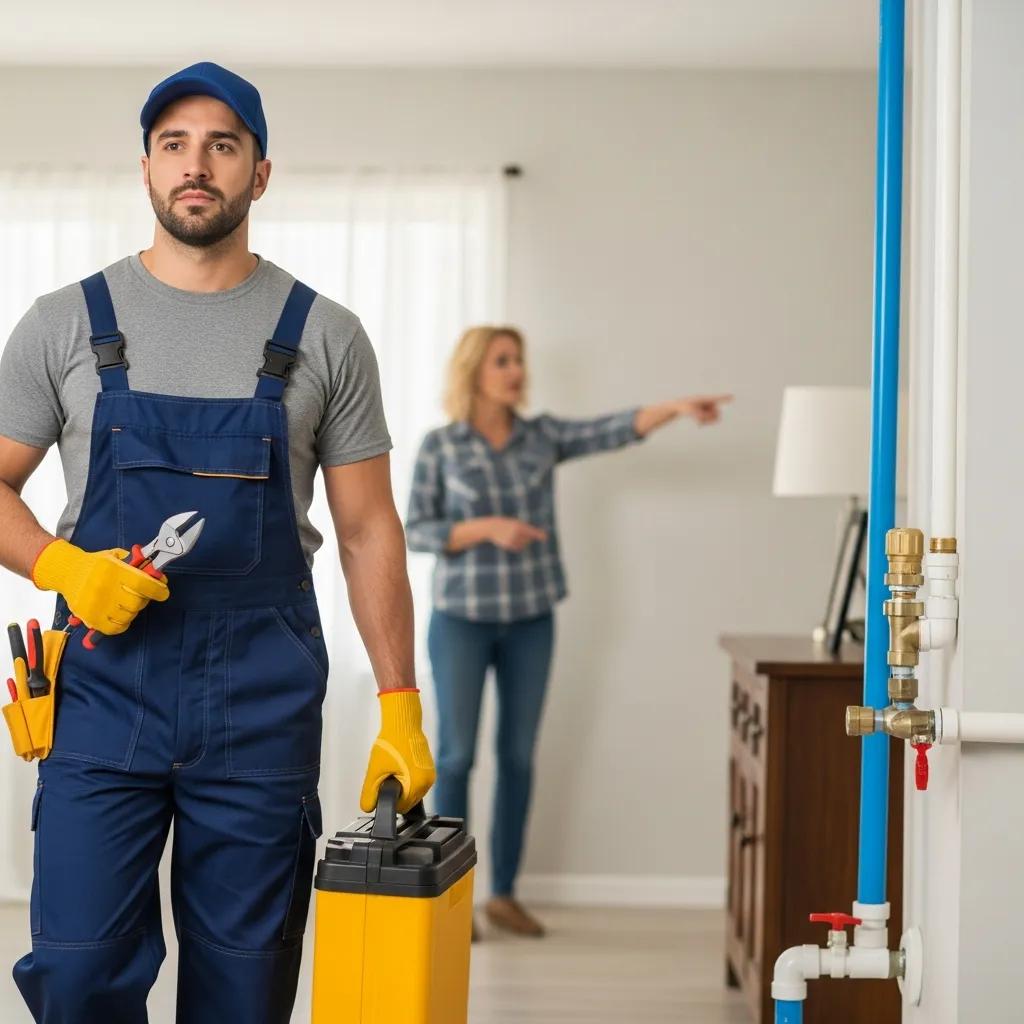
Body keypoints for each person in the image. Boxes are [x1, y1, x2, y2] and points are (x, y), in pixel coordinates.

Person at [0, 62, 434, 1024]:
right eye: (175, 144)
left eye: (223, 145)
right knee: (75, 972)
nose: (197, 165)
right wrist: (60, 564)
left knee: (245, 985)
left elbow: (367, 528)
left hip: (259, 701)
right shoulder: (63, 325)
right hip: (103, 695)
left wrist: (399, 701)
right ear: (147, 169)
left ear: (260, 173)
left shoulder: (325, 336)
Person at [405, 325, 730, 937]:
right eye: (503, 361)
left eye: (519, 360)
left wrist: (677, 409)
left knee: (519, 758)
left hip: (531, 619)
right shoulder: (441, 446)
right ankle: (455, 897)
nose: (516, 371)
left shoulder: (541, 437)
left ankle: (503, 894)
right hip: (462, 623)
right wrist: (485, 528)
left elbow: (610, 430)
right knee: (455, 756)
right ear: (474, 371)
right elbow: (415, 529)